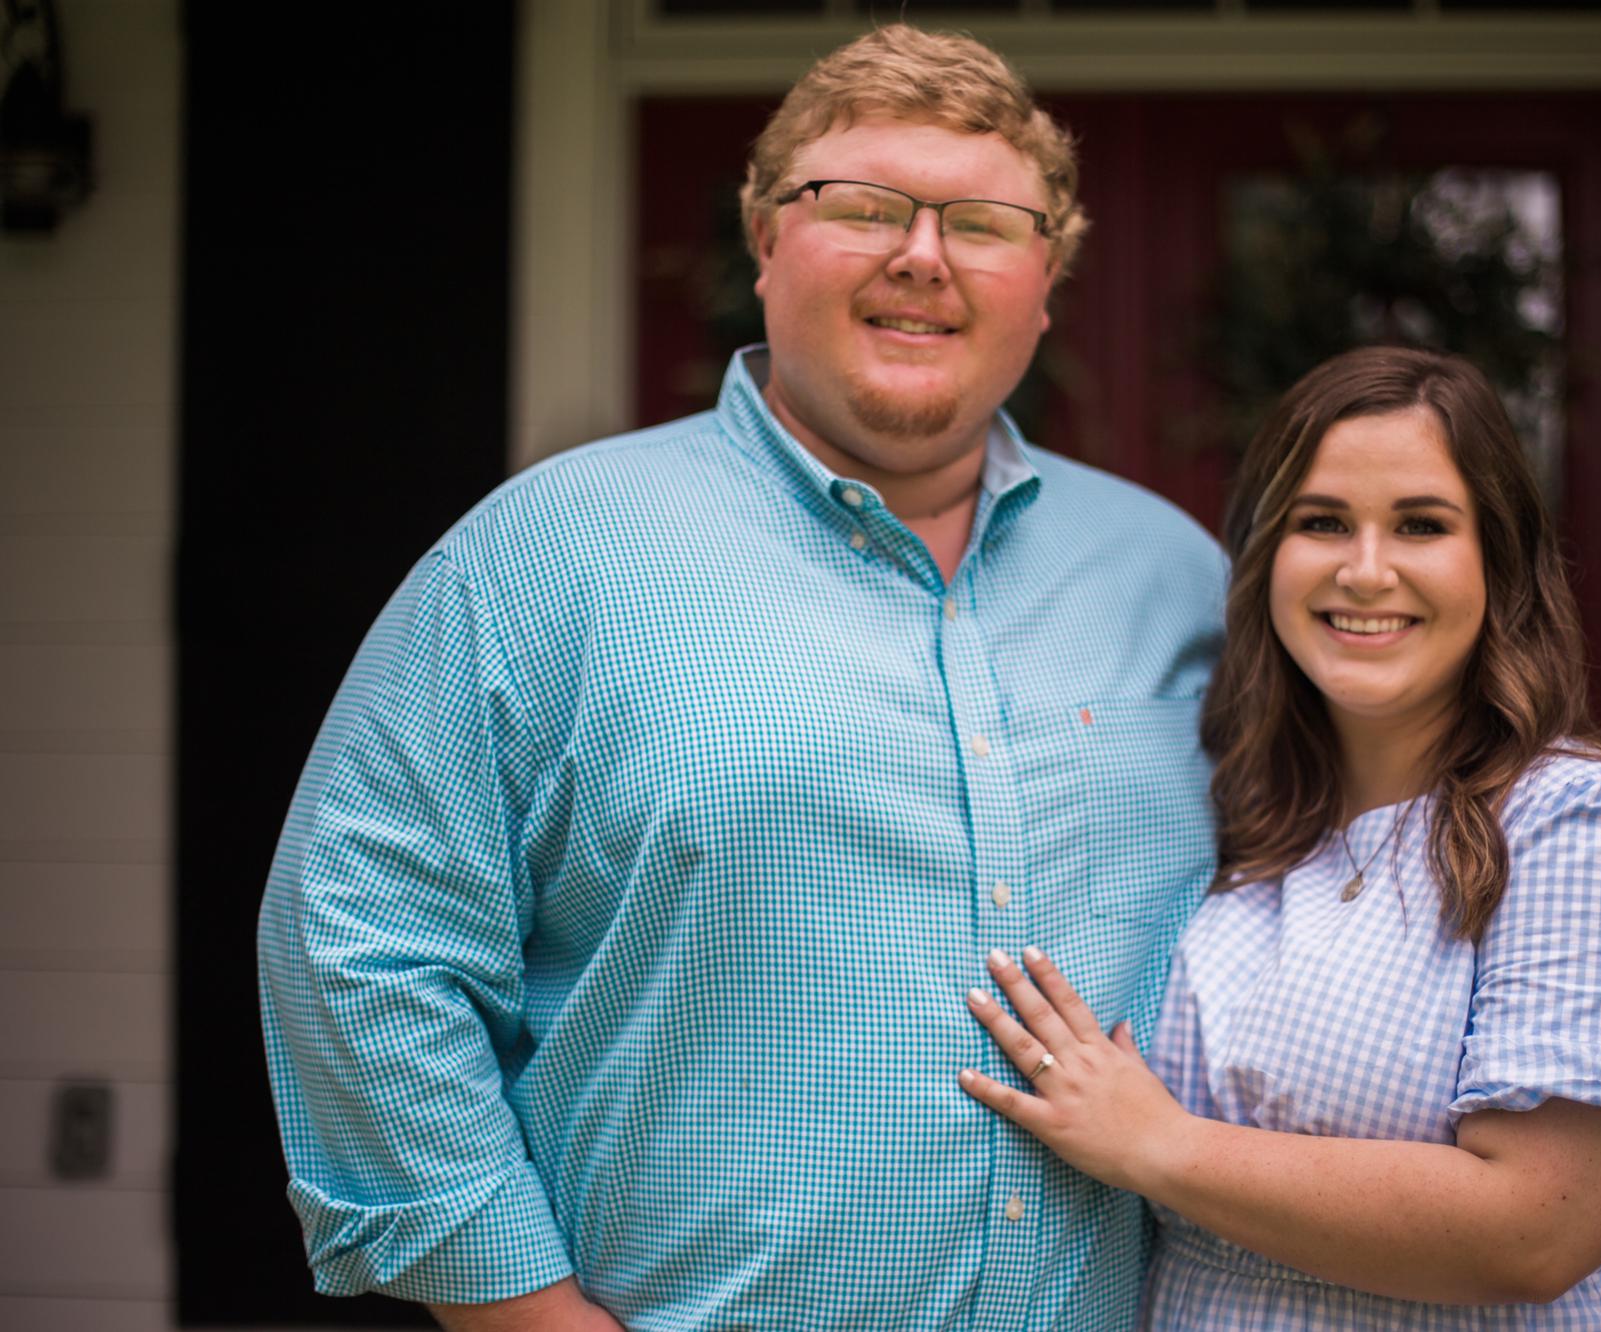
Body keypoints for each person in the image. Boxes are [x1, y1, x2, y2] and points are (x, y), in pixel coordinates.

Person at [256, 24, 1225, 1331]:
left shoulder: (1178, 579)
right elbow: (364, 942)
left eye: (983, 224)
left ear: (1045, 282)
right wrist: (517, 1311)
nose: (922, 255)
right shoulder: (546, 557)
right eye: (864, 208)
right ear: (765, 241)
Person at [959, 345, 1601, 1328]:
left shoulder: (1593, 832)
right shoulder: (1239, 822)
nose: (1364, 571)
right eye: (1322, 522)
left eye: (1421, 525)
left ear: (1498, 561)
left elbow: (1533, 1231)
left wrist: (1157, 1145)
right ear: (1266, 558)